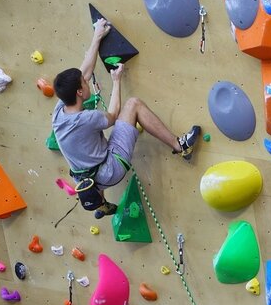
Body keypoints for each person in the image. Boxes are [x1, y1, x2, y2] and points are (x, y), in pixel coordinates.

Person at [52, 18, 201, 218]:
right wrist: (116, 81)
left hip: (87, 177)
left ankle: (101, 203)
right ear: (79, 92)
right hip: (110, 169)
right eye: (83, 84)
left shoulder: (60, 110)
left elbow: (84, 73)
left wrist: (97, 36)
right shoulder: (86, 119)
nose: (87, 82)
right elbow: (113, 115)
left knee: (89, 155)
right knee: (134, 105)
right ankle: (180, 146)